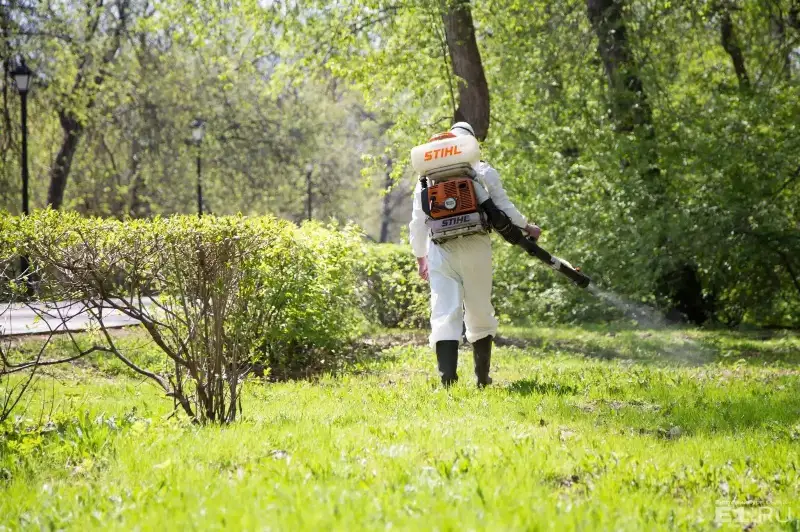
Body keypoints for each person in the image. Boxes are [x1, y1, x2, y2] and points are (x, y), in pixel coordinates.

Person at [409, 122, 540, 387]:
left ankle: (448, 381)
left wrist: (420, 256)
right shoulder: (482, 170)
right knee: (479, 309)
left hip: (440, 248)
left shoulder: (427, 177)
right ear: (470, 144)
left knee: (444, 310)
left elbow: (417, 221)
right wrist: (526, 226)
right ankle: (482, 378)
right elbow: (503, 206)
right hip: (475, 244)